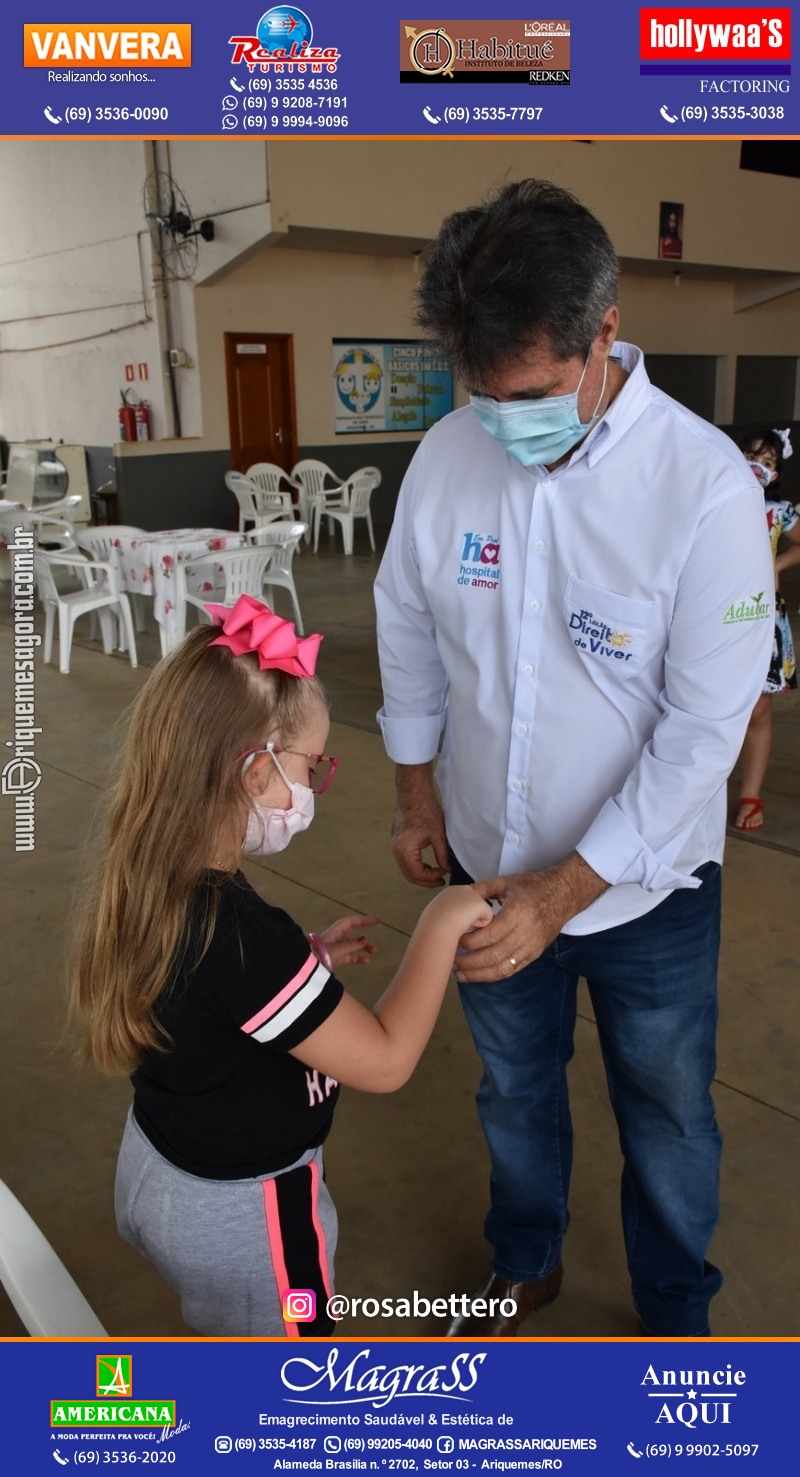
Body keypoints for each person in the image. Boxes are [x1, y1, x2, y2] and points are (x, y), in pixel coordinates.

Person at [374, 179, 774, 1339]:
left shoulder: (700, 488)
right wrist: (414, 790)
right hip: (487, 868)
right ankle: (524, 1258)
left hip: (643, 893)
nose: (504, 420)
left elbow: (703, 730)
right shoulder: (450, 455)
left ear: (605, 335)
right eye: (482, 394)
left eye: (534, 395)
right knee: (510, 1086)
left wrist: (562, 892)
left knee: (664, 1105)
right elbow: (404, 619)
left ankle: (667, 1299)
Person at [69, 596, 491, 1338]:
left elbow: (213, 994)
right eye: (309, 764)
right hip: (245, 1215)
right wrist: (442, 919)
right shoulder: (245, 939)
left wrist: (308, 961)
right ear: (254, 768)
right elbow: (387, 1060)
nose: (312, 785)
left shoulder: (155, 871)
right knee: (288, 1391)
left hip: (158, 1169)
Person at [733, 427, 800, 832]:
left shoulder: (780, 512)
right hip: (713, 615)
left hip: (761, 619)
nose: (757, 465)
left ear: (776, 475)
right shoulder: (710, 497)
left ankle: (750, 794)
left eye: (768, 462)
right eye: (751, 454)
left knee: (757, 709)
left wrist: (774, 566)